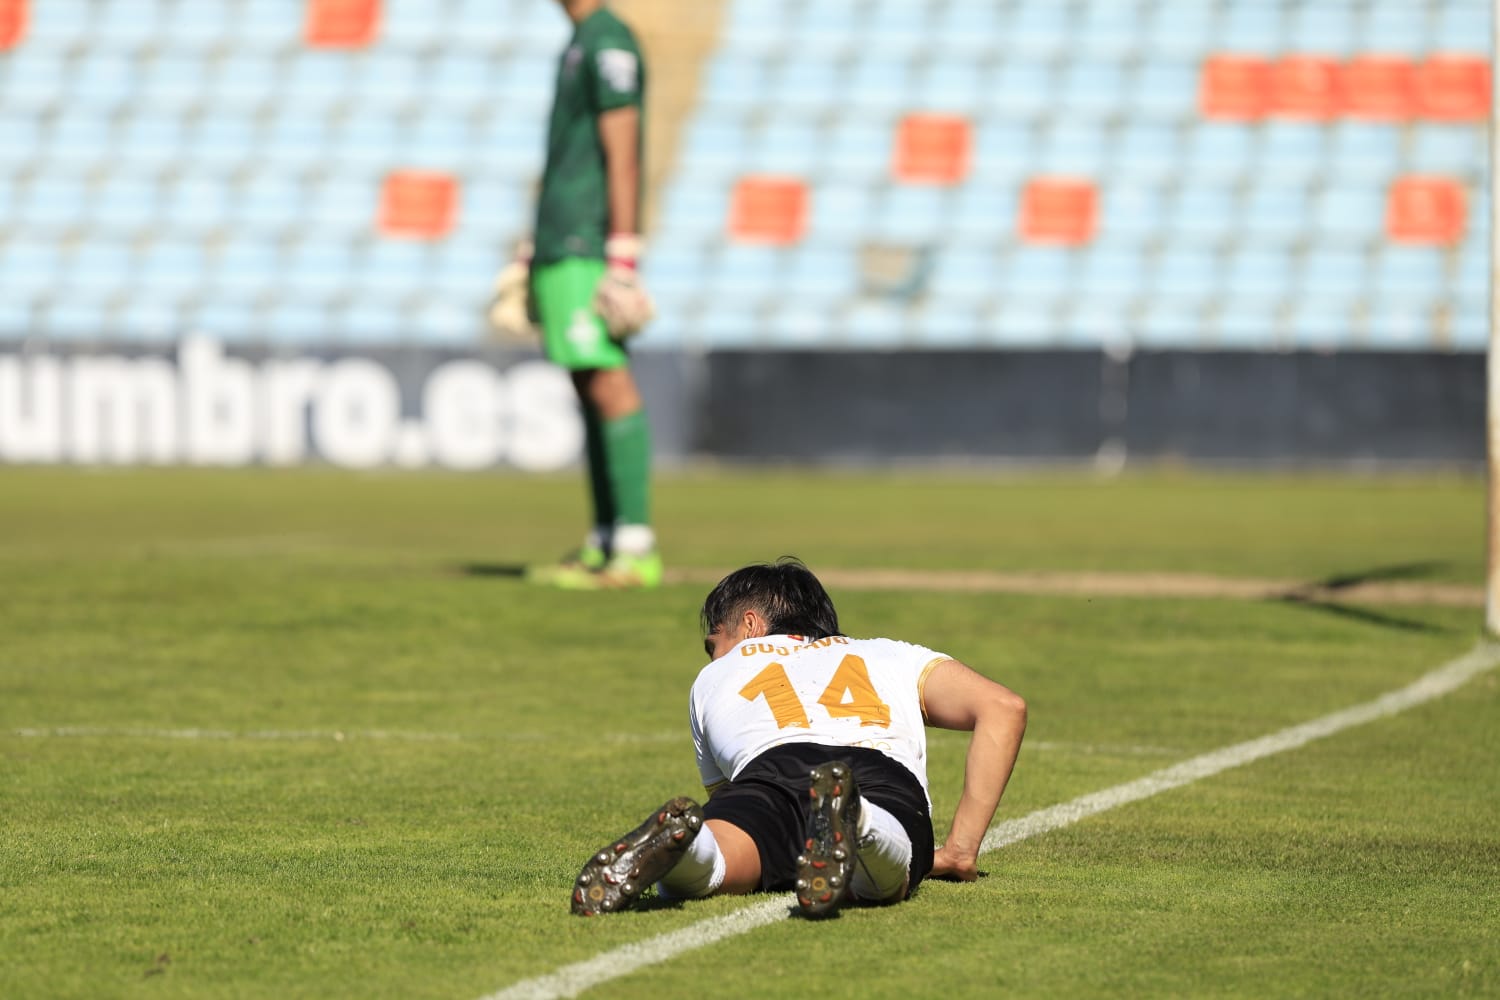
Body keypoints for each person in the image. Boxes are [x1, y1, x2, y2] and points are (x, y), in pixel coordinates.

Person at [571, 559, 1028, 918]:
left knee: (717, 861)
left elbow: (728, 795)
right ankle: (858, 820)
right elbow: (1004, 707)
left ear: (749, 625)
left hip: (768, 769)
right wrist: (959, 851)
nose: (713, 655)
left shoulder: (713, 677)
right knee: (884, 878)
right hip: (877, 770)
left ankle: (687, 849)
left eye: (714, 641)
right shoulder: (888, 653)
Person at [492, 0, 660, 590]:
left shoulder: (607, 40)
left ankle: (635, 549)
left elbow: (623, 151)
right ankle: (605, 539)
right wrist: (533, 246)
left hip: (587, 243)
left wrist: (622, 256)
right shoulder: (582, 38)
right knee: (588, 384)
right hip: (562, 242)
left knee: (607, 379)